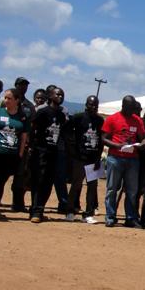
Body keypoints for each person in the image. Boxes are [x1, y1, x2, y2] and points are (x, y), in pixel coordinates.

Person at [102, 95, 145, 228]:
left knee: (132, 190)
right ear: (124, 106)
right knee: (112, 189)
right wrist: (116, 145)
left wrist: (143, 144)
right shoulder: (112, 119)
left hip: (132, 159)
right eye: (131, 107)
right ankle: (110, 216)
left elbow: (143, 138)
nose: (133, 110)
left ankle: (130, 218)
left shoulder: (137, 120)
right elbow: (103, 138)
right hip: (115, 158)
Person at [0, 88, 29, 220]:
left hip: (11, 155)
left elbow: (24, 136)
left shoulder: (22, 116)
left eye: (9, 98)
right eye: (5, 98)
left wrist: (20, 153)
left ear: (17, 100)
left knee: (2, 181)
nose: (6, 100)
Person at [29, 86, 67, 223]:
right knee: (39, 181)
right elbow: (32, 128)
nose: (60, 97)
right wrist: (32, 146)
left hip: (54, 152)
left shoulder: (61, 115)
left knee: (48, 183)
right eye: (57, 94)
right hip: (41, 151)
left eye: (62, 95)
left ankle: (39, 209)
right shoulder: (43, 112)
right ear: (50, 96)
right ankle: (36, 211)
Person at [64, 95, 104, 224]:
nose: (94, 107)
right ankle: (70, 211)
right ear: (86, 105)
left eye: (96, 105)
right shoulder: (78, 117)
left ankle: (88, 213)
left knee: (92, 186)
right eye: (91, 104)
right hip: (79, 157)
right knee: (76, 184)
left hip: (93, 158)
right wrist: (73, 151)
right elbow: (67, 132)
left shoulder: (100, 120)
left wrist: (98, 157)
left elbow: (101, 140)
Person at [11, 76, 36, 212]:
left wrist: (29, 143)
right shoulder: (7, 101)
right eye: (21, 84)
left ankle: (18, 203)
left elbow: (32, 126)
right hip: (6, 144)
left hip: (22, 146)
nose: (23, 87)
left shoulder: (29, 106)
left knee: (20, 175)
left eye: (25, 85)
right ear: (16, 85)